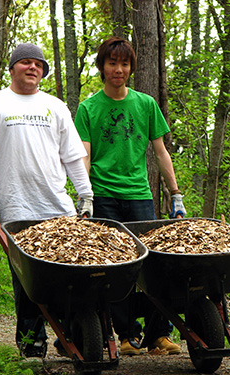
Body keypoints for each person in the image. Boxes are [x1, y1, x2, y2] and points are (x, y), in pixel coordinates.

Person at [0, 42, 94, 357]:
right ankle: (31, 343)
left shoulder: (55, 107)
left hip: (58, 209)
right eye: (25, 62)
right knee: (27, 283)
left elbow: (74, 157)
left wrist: (86, 195)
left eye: (38, 64)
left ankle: (76, 334)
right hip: (16, 210)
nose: (32, 67)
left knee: (71, 277)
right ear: (12, 69)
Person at [74, 36, 186, 355]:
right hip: (104, 196)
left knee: (152, 266)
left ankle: (157, 336)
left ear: (131, 67)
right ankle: (124, 336)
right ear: (102, 67)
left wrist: (175, 193)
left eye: (124, 63)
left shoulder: (146, 104)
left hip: (139, 195)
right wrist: (85, 194)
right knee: (113, 267)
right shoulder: (89, 108)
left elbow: (161, 152)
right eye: (112, 63)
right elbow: (84, 153)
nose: (118, 69)